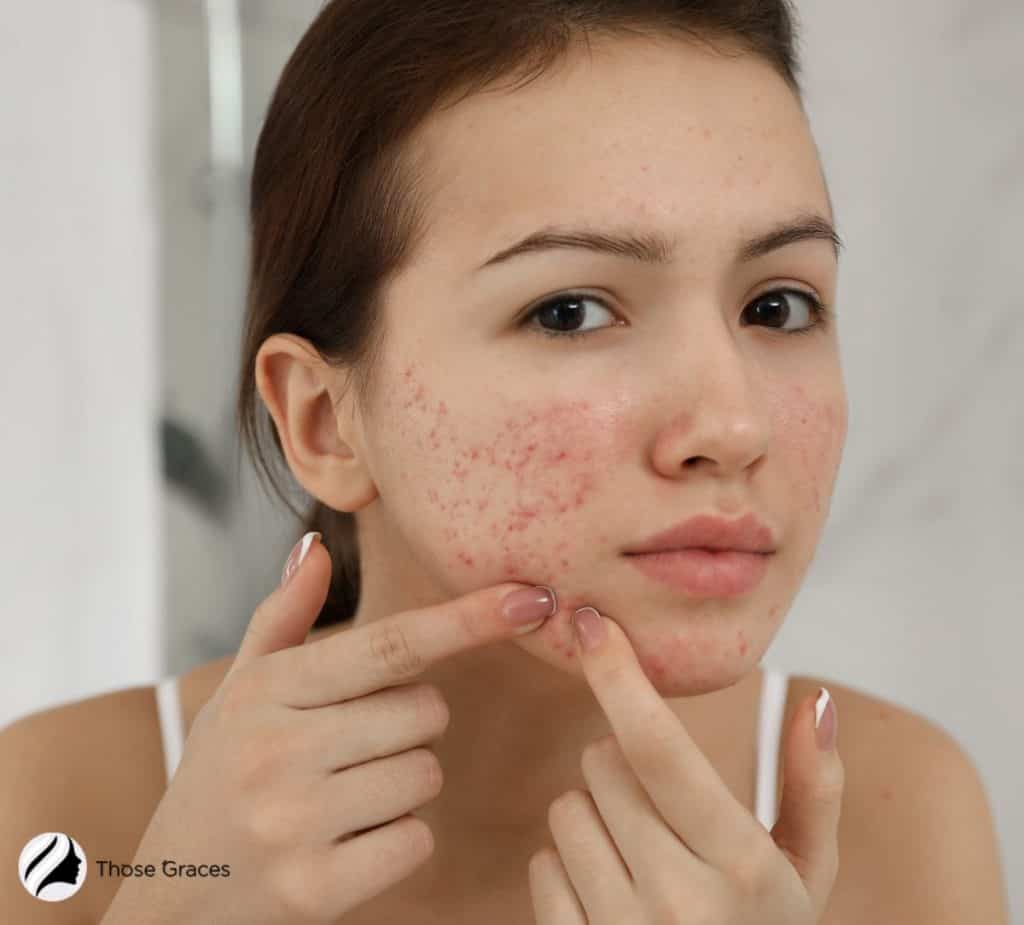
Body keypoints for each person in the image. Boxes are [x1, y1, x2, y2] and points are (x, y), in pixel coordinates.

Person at [1, 1, 1009, 923]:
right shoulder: (62, 815)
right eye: (569, 311)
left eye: (777, 305)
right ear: (324, 421)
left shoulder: (897, 815)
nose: (732, 424)